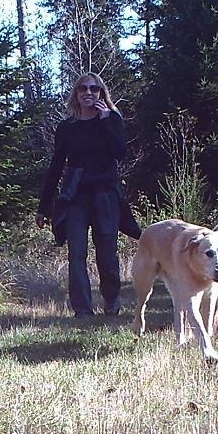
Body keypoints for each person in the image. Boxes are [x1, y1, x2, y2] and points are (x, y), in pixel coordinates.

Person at [35, 72, 129, 318]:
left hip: (105, 195)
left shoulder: (112, 120)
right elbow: (56, 165)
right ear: (76, 94)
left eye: (94, 89)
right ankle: (82, 310)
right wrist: (44, 206)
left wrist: (107, 119)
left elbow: (120, 152)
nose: (89, 93)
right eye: (83, 89)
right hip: (76, 196)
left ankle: (111, 301)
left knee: (107, 253)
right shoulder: (67, 127)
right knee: (76, 253)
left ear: (101, 94)